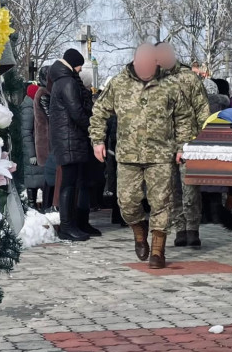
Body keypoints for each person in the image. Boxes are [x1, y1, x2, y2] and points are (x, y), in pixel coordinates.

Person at [90, 44, 193, 269]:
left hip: (160, 155)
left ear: (156, 62)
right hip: (128, 155)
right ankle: (139, 230)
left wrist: (181, 147)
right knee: (126, 203)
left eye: (150, 63)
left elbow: (184, 117)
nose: (145, 67)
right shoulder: (119, 83)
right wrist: (97, 140)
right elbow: (99, 112)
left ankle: (157, 250)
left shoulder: (171, 85)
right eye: (141, 63)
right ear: (135, 62)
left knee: (161, 203)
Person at [156, 42, 210, 249]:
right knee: (171, 190)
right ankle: (179, 228)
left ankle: (193, 228)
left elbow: (202, 109)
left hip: (188, 141)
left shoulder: (188, 78)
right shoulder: (154, 79)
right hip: (163, 143)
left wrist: (200, 139)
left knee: (190, 188)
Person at [48, 48, 96, 241]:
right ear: (73, 64)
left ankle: (73, 224)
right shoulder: (67, 82)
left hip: (68, 139)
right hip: (69, 139)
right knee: (68, 184)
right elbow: (76, 111)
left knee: (73, 183)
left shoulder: (61, 80)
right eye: (79, 65)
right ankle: (67, 226)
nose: (80, 69)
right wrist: (91, 127)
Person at [19, 82, 46, 209]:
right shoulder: (28, 108)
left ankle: (39, 205)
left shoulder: (33, 106)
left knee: (39, 178)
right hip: (32, 150)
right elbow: (26, 132)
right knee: (32, 179)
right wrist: (32, 154)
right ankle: (32, 205)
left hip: (38, 149)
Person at [32, 64, 55, 211]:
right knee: (49, 177)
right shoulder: (44, 94)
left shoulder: (44, 92)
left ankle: (48, 205)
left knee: (49, 176)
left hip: (46, 139)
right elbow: (51, 115)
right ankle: (47, 206)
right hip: (47, 140)